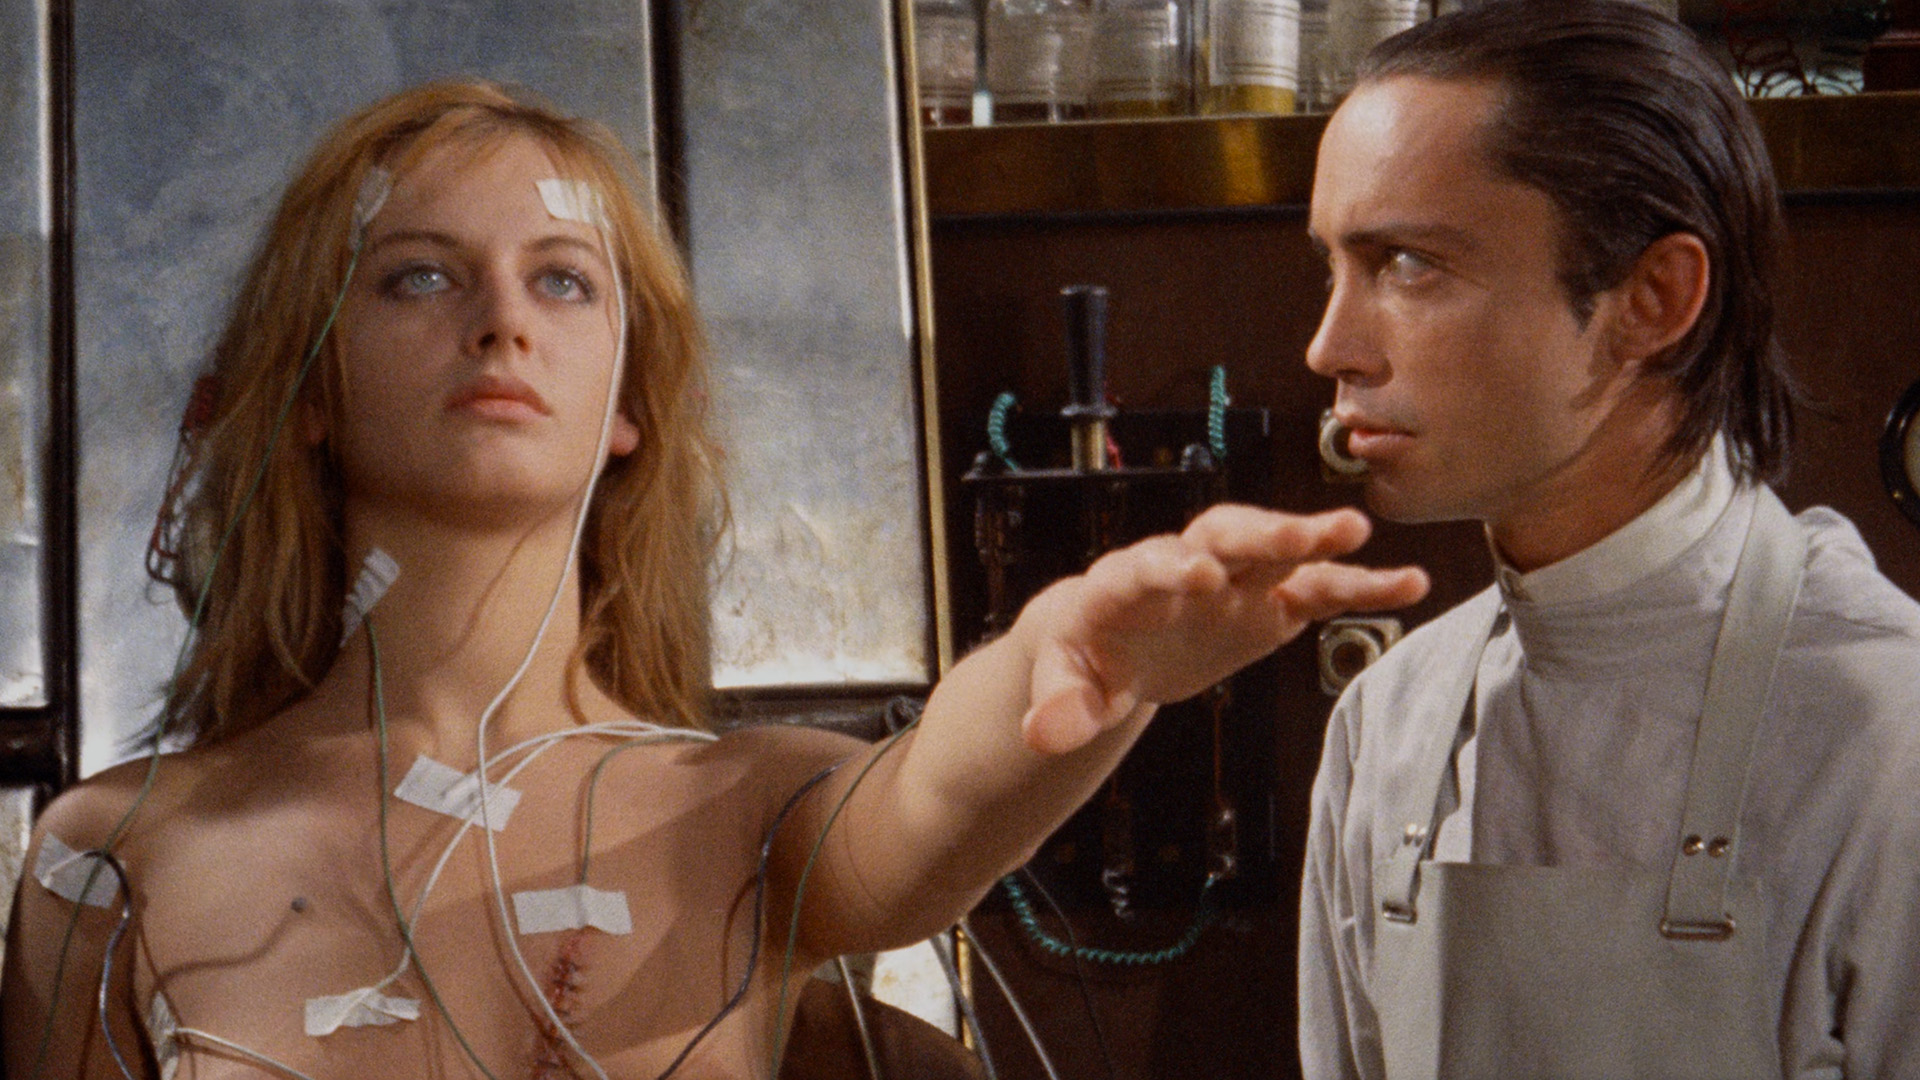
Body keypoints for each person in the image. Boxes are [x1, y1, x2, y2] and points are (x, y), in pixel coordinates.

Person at [0, 81, 1428, 1079]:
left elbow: (930, 806)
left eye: (563, 280)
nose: (501, 321)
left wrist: (1085, 662)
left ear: (629, 402)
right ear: (310, 387)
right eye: (419, 277)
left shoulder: (745, 811)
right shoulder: (112, 858)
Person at [1296, 2, 1920, 1077]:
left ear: (1653, 299)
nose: (1329, 346)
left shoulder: (1885, 737)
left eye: (1407, 264)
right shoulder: (1385, 728)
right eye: (1333, 269)